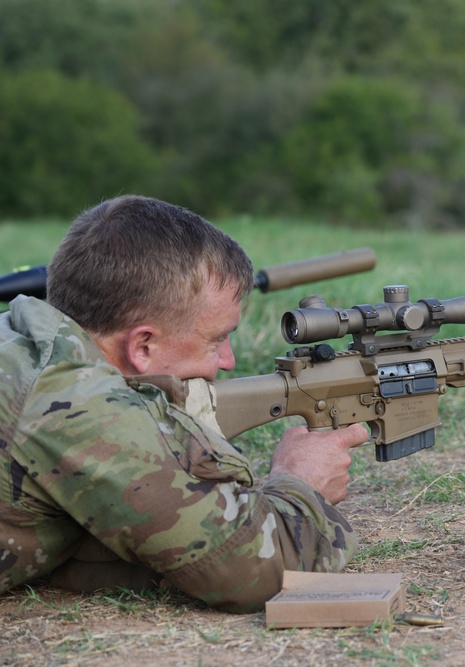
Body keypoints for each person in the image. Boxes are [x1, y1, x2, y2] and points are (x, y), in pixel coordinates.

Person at [0, 195, 369, 612]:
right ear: (142, 345)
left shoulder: (22, 337)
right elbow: (252, 569)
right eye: (215, 340)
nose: (227, 361)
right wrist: (299, 482)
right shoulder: (79, 405)